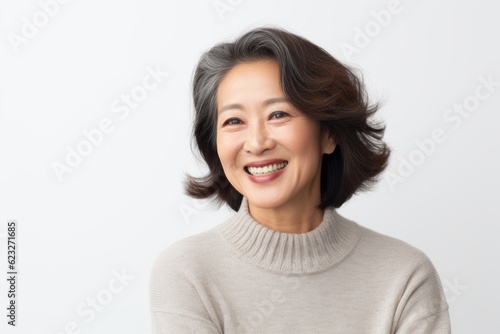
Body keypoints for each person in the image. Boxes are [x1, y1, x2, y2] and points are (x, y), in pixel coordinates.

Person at [149, 27, 451, 333]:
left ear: (329, 134)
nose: (256, 142)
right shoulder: (187, 273)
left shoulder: (404, 276)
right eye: (234, 121)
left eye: (278, 114)